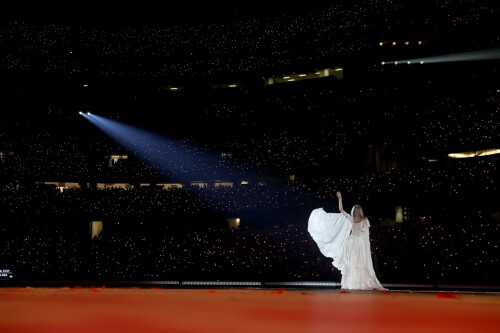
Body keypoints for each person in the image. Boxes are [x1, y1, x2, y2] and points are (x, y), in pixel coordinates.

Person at [308, 191, 386, 290]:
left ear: (354, 211)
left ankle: (351, 284)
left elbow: (341, 210)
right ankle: (359, 284)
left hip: (351, 242)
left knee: (351, 263)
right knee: (359, 263)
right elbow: (364, 233)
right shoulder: (365, 220)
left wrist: (340, 198)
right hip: (359, 244)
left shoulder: (351, 219)